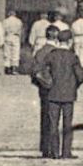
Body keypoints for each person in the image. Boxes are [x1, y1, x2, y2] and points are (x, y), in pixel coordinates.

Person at [46, 29, 83, 158]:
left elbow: (42, 72)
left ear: (58, 41)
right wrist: (73, 86)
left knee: (53, 124)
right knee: (67, 124)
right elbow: (80, 77)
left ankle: (54, 152)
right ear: (70, 41)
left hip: (52, 93)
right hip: (69, 95)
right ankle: (66, 152)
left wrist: (49, 85)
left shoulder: (51, 55)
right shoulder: (73, 57)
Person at [32, 25, 62, 157]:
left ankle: (45, 148)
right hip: (56, 89)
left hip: (43, 89)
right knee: (54, 119)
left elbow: (34, 73)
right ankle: (53, 149)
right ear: (57, 37)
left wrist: (41, 85)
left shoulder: (40, 52)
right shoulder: (58, 53)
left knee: (45, 117)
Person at [3, 11, 24, 75]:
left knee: (7, 52)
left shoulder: (5, 21)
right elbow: (20, 30)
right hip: (15, 36)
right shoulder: (18, 21)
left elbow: (3, 30)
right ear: (15, 14)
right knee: (15, 53)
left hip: (8, 36)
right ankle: (14, 68)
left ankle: (7, 68)